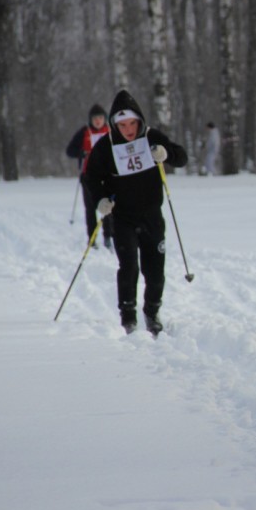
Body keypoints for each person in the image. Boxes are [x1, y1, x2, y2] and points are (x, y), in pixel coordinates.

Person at [84, 89, 188, 336]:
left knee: (155, 270)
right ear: (114, 124)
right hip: (123, 218)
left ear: (139, 121)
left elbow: (181, 157)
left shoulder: (151, 137)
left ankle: (152, 312)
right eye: (122, 124)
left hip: (152, 215)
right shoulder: (105, 146)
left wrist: (166, 154)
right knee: (128, 266)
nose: (128, 129)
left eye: (132, 123)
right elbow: (91, 177)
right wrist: (100, 200)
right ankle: (128, 317)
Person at [65, 104, 114, 249]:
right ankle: (92, 238)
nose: (98, 121)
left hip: (107, 175)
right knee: (91, 207)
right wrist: (82, 153)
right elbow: (70, 150)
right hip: (88, 176)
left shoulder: (110, 131)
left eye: (100, 118)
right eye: (95, 118)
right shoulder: (84, 132)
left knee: (108, 206)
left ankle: (108, 236)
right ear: (90, 120)